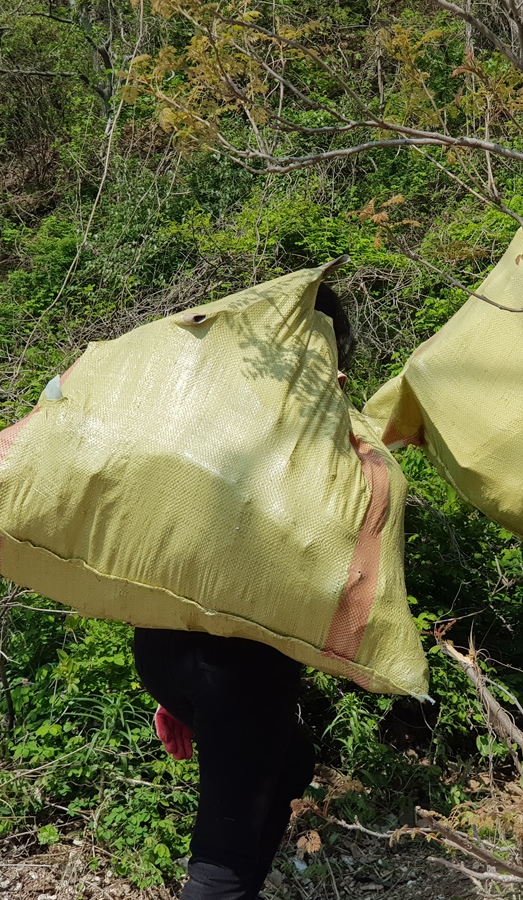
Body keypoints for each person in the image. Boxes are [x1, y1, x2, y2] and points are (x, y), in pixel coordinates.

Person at [132, 283, 356, 898]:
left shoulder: (205, 417)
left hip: (164, 647)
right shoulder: (312, 439)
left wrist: (180, 692)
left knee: (287, 765)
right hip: (240, 665)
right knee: (221, 861)